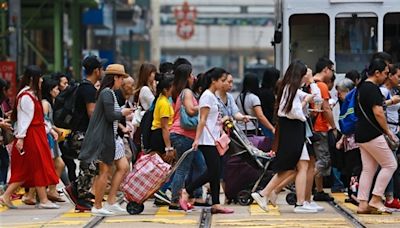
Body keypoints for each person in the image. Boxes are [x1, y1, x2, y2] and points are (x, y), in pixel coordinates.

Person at [251, 61, 318, 213]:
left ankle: (281, 197)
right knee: (290, 167)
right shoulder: (289, 89)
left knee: (300, 166)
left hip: (294, 131)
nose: (304, 79)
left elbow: (316, 98)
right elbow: (294, 112)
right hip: (292, 131)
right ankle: (266, 193)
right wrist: (305, 102)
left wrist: (312, 81)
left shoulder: (292, 89)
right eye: (303, 76)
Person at [0, 65, 60, 209]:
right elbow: (24, 119)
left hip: (35, 134)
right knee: (38, 165)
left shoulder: (31, 94)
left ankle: (7, 195)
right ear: (34, 78)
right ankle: (43, 200)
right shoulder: (26, 96)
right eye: (40, 77)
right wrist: (20, 138)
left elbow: (36, 118)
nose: (42, 80)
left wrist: (50, 129)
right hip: (31, 136)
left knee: (28, 168)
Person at [78, 64, 133, 216]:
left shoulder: (110, 93)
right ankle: (97, 205)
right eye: (121, 78)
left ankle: (110, 201)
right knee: (104, 171)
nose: (122, 82)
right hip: (104, 139)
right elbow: (110, 115)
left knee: (123, 167)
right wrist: (123, 112)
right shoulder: (107, 93)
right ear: (114, 77)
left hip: (113, 138)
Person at [179, 67, 234, 214]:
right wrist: (196, 139)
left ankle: (216, 204)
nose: (224, 83)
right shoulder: (207, 96)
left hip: (213, 138)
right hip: (207, 140)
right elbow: (202, 119)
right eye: (222, 80)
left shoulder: (213, 96)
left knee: (215, 172)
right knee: (214, 171)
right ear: (213, 81)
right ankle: (187, 191)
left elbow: (211, 118)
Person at [355, 58, 398, 214]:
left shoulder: (361, 87)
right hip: (372, 133)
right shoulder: (372, 88)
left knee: (368, 169)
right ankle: (376, 198)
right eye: (385, 73)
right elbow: (378, 112)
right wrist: (388, 131)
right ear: (377, 73)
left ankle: (362, 203)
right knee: (390, 164)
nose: (387, 77)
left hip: (361, 133)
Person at [63, 55, 104, 211]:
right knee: (90, 166)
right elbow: (92, 113)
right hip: (83, 134)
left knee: (90, 165)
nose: (102, 71)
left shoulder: (84, 86)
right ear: (96, 71)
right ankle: (78, 193)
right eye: (101, 69)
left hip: (82, 133)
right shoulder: (88, 88)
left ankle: (80, 192)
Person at [169, 64, 207, 211]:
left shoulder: (181, 92)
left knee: (201, 166)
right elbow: (191, 110)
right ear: (186, 77)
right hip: (183, 135)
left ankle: (197, 195)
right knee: (182, 169)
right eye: (191, 75)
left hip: (188, 136)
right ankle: (175, 201)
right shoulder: (186, 92)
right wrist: (204, 106)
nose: (194, 78)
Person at [312, 57, 337, 201]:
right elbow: (326, 109)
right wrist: (333, 127)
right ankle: (304, 185)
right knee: (324, 160)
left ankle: (319, 190)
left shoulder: (309, 83)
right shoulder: (321, 86)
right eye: (332, 70)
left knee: (315, 160)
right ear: (326, 69)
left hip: (311, 127)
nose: (332, 74)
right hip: (320, 127)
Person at [379, 63, 400, 210]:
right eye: (398, 76)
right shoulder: (383, 91)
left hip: (394, 129)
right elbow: (377, 107)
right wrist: (392, 101)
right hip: (387, 132)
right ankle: (389, 197)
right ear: (390, 76)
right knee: (389, 165)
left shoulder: (393, 90)